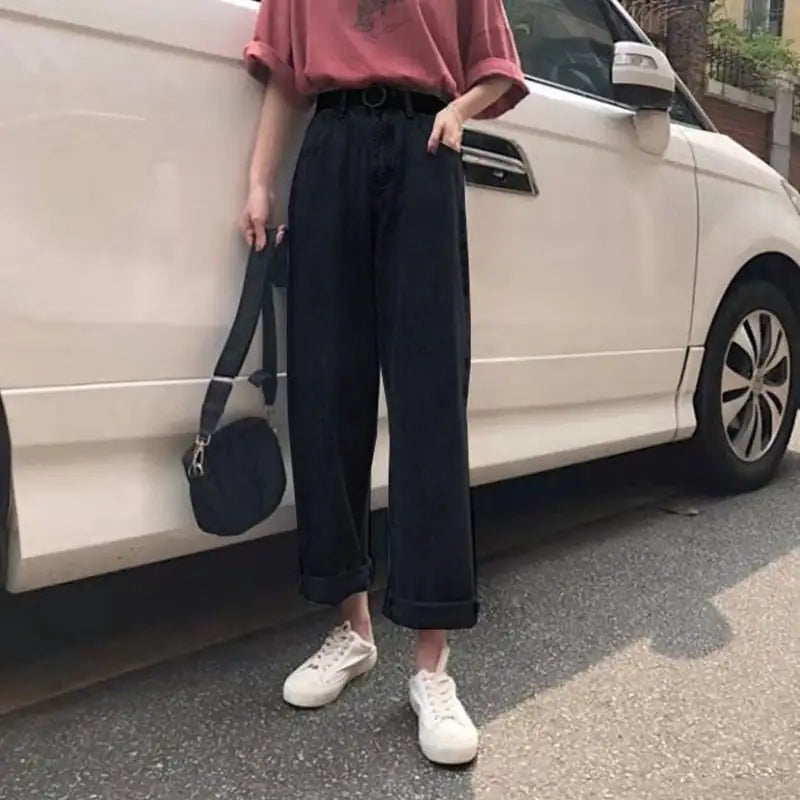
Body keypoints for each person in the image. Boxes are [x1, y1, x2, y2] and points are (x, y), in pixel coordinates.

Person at [240, 0, 527, 766]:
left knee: (430, 399)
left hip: (423, 146)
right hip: (329, 149)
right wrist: (260, 182)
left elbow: (498, 71)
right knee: (326, 391)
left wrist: (458, 112)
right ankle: (352, 627)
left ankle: (432, 664)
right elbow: (286, 77)